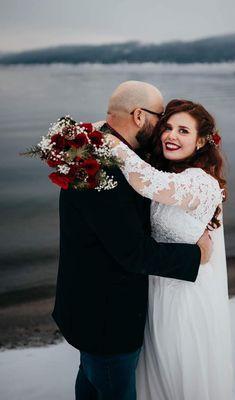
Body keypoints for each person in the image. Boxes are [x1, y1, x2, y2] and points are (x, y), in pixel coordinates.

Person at [52, 82, 212, 400]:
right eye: (161, 119)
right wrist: (196, 256)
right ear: (140, 116)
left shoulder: (100, 151)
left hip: (91, 306)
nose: (163, 130)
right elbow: (133, 253)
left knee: (91, 384)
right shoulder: (99, 170)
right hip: (106, 317)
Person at [108, 99, 235, 399]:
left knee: (178, 370)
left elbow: (145, 181)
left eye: (183, 130)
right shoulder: (174, 173)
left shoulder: (200, 183)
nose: (171, 136)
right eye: (167, 127)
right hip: (157, 287)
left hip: (184, 298)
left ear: (202, 140)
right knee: (157, 373)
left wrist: (105, 139)